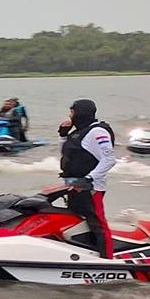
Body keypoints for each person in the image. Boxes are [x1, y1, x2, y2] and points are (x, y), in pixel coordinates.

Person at [58, 98, 118, 259]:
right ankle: (82, 254)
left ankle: (108, 259)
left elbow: (109, 159)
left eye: (72, 112)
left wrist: (89, 178)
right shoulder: (78, 132)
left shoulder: (98, 132)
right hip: (73, 184)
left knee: (97, 223)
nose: (70, 116)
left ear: (81, 113)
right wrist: (63, 135)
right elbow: (66, 154)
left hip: (91, 187)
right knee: (75, 219)